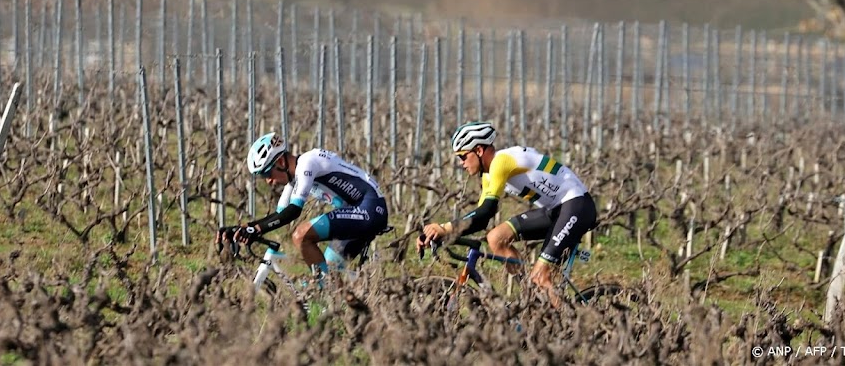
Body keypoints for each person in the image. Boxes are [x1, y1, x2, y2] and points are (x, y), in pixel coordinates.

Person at [417, 121, 598, 306]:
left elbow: (484, 213)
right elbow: (480, 219)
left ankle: (570, 327)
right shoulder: (488, 175)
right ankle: (533, 297)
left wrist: (443, 228)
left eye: (463, 156)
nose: (461, 164)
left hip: (577, 205)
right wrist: (443, 234)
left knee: (540, 276)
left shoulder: (501, 162)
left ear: (479, 150)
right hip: (556, 209)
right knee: (496, 238)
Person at [218, 133, 389, 280]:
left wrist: (256, 230)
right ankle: (339, 307)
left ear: (281, 162)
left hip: (370, 208)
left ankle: (325, 294)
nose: (268, 181)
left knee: (301, 236)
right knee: (329, 273)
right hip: (357, 211)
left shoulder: (308, 162)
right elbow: (280, 215)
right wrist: (243, 228)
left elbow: (294, 211)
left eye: (267, 173)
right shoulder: (294, 180)